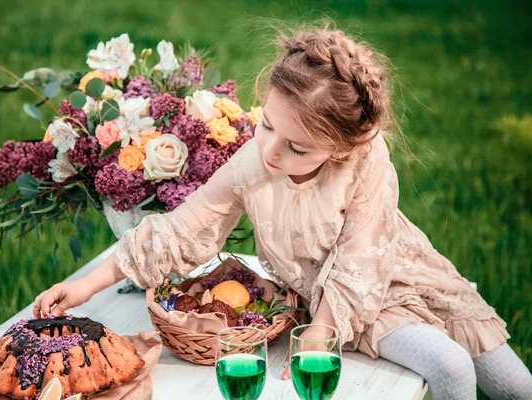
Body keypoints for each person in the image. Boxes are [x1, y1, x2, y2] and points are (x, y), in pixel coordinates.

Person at [33, 27, 532, 399]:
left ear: (340, 149)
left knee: (515, 384)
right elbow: (183, 229)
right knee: (451, 367)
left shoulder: (365, 158)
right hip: (355, 309)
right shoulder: (255, 162)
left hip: (390, 278)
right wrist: (87, 285)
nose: (272, 152)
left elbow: (361, 258)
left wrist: (316, 334)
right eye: (267, 125)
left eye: (296, 147)